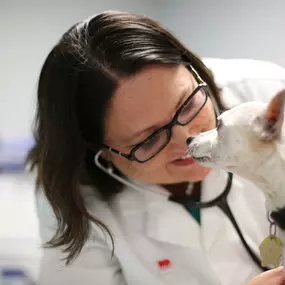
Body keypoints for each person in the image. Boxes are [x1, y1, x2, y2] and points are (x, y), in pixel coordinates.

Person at [27, 10, 285, 285]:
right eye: (148, 139)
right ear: (100, 153)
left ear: (194, 71)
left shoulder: (266, 95)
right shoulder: (74, 200)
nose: (186, 139)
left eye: (187, 105)